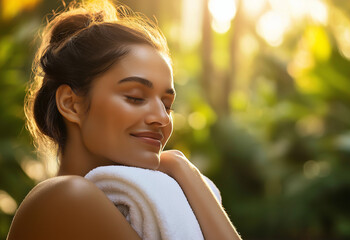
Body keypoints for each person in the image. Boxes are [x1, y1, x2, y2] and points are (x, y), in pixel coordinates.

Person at [7, 1, 241, 239]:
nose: (161, 118)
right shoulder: (67, 197)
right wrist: (184, 171)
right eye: (135, 98)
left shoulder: (124, 207)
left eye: (167, 105)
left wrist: (181, 167)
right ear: (71, 104)